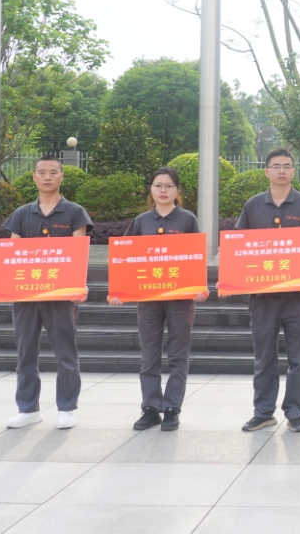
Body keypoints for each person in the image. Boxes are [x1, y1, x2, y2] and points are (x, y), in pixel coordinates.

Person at [227, 149, 300, 434]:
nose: (282, 171)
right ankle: (263, 412)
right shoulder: (253, 205)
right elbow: (240, 246)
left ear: (294, 171)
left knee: (298, 359)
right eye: (276, 166)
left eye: (287, 166)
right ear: (266, 171)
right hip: (263, 298)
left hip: (298, 297)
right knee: (264, 357)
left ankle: (294, 412)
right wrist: (232, 278)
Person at [0, 155, 93, 430]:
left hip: (61, 296)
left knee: (66, 353)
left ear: (62, 176)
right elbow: (13, 255)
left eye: (53, 172)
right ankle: (28, 409)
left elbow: (77, 254)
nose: (47, 176)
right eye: (42, 172)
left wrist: (79, 283)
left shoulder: (75, 212)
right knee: (25, 352)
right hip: (26, 296)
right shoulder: (21, 214)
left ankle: (66, 408)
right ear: (34, 177)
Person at [110, 166, 207, 432]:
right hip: (149, 298)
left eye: (168, 186)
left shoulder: (187, 219)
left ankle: (172, 408)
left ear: (177, 190)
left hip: (180, 299)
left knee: (178, 354)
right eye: (158, 186)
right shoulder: (141, 221)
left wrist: (200, 287)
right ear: (151, 190)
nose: (163, 191)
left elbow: (195, 256)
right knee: (149, 354)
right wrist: (118, 290)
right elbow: (125, 258)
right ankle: (151, 408)